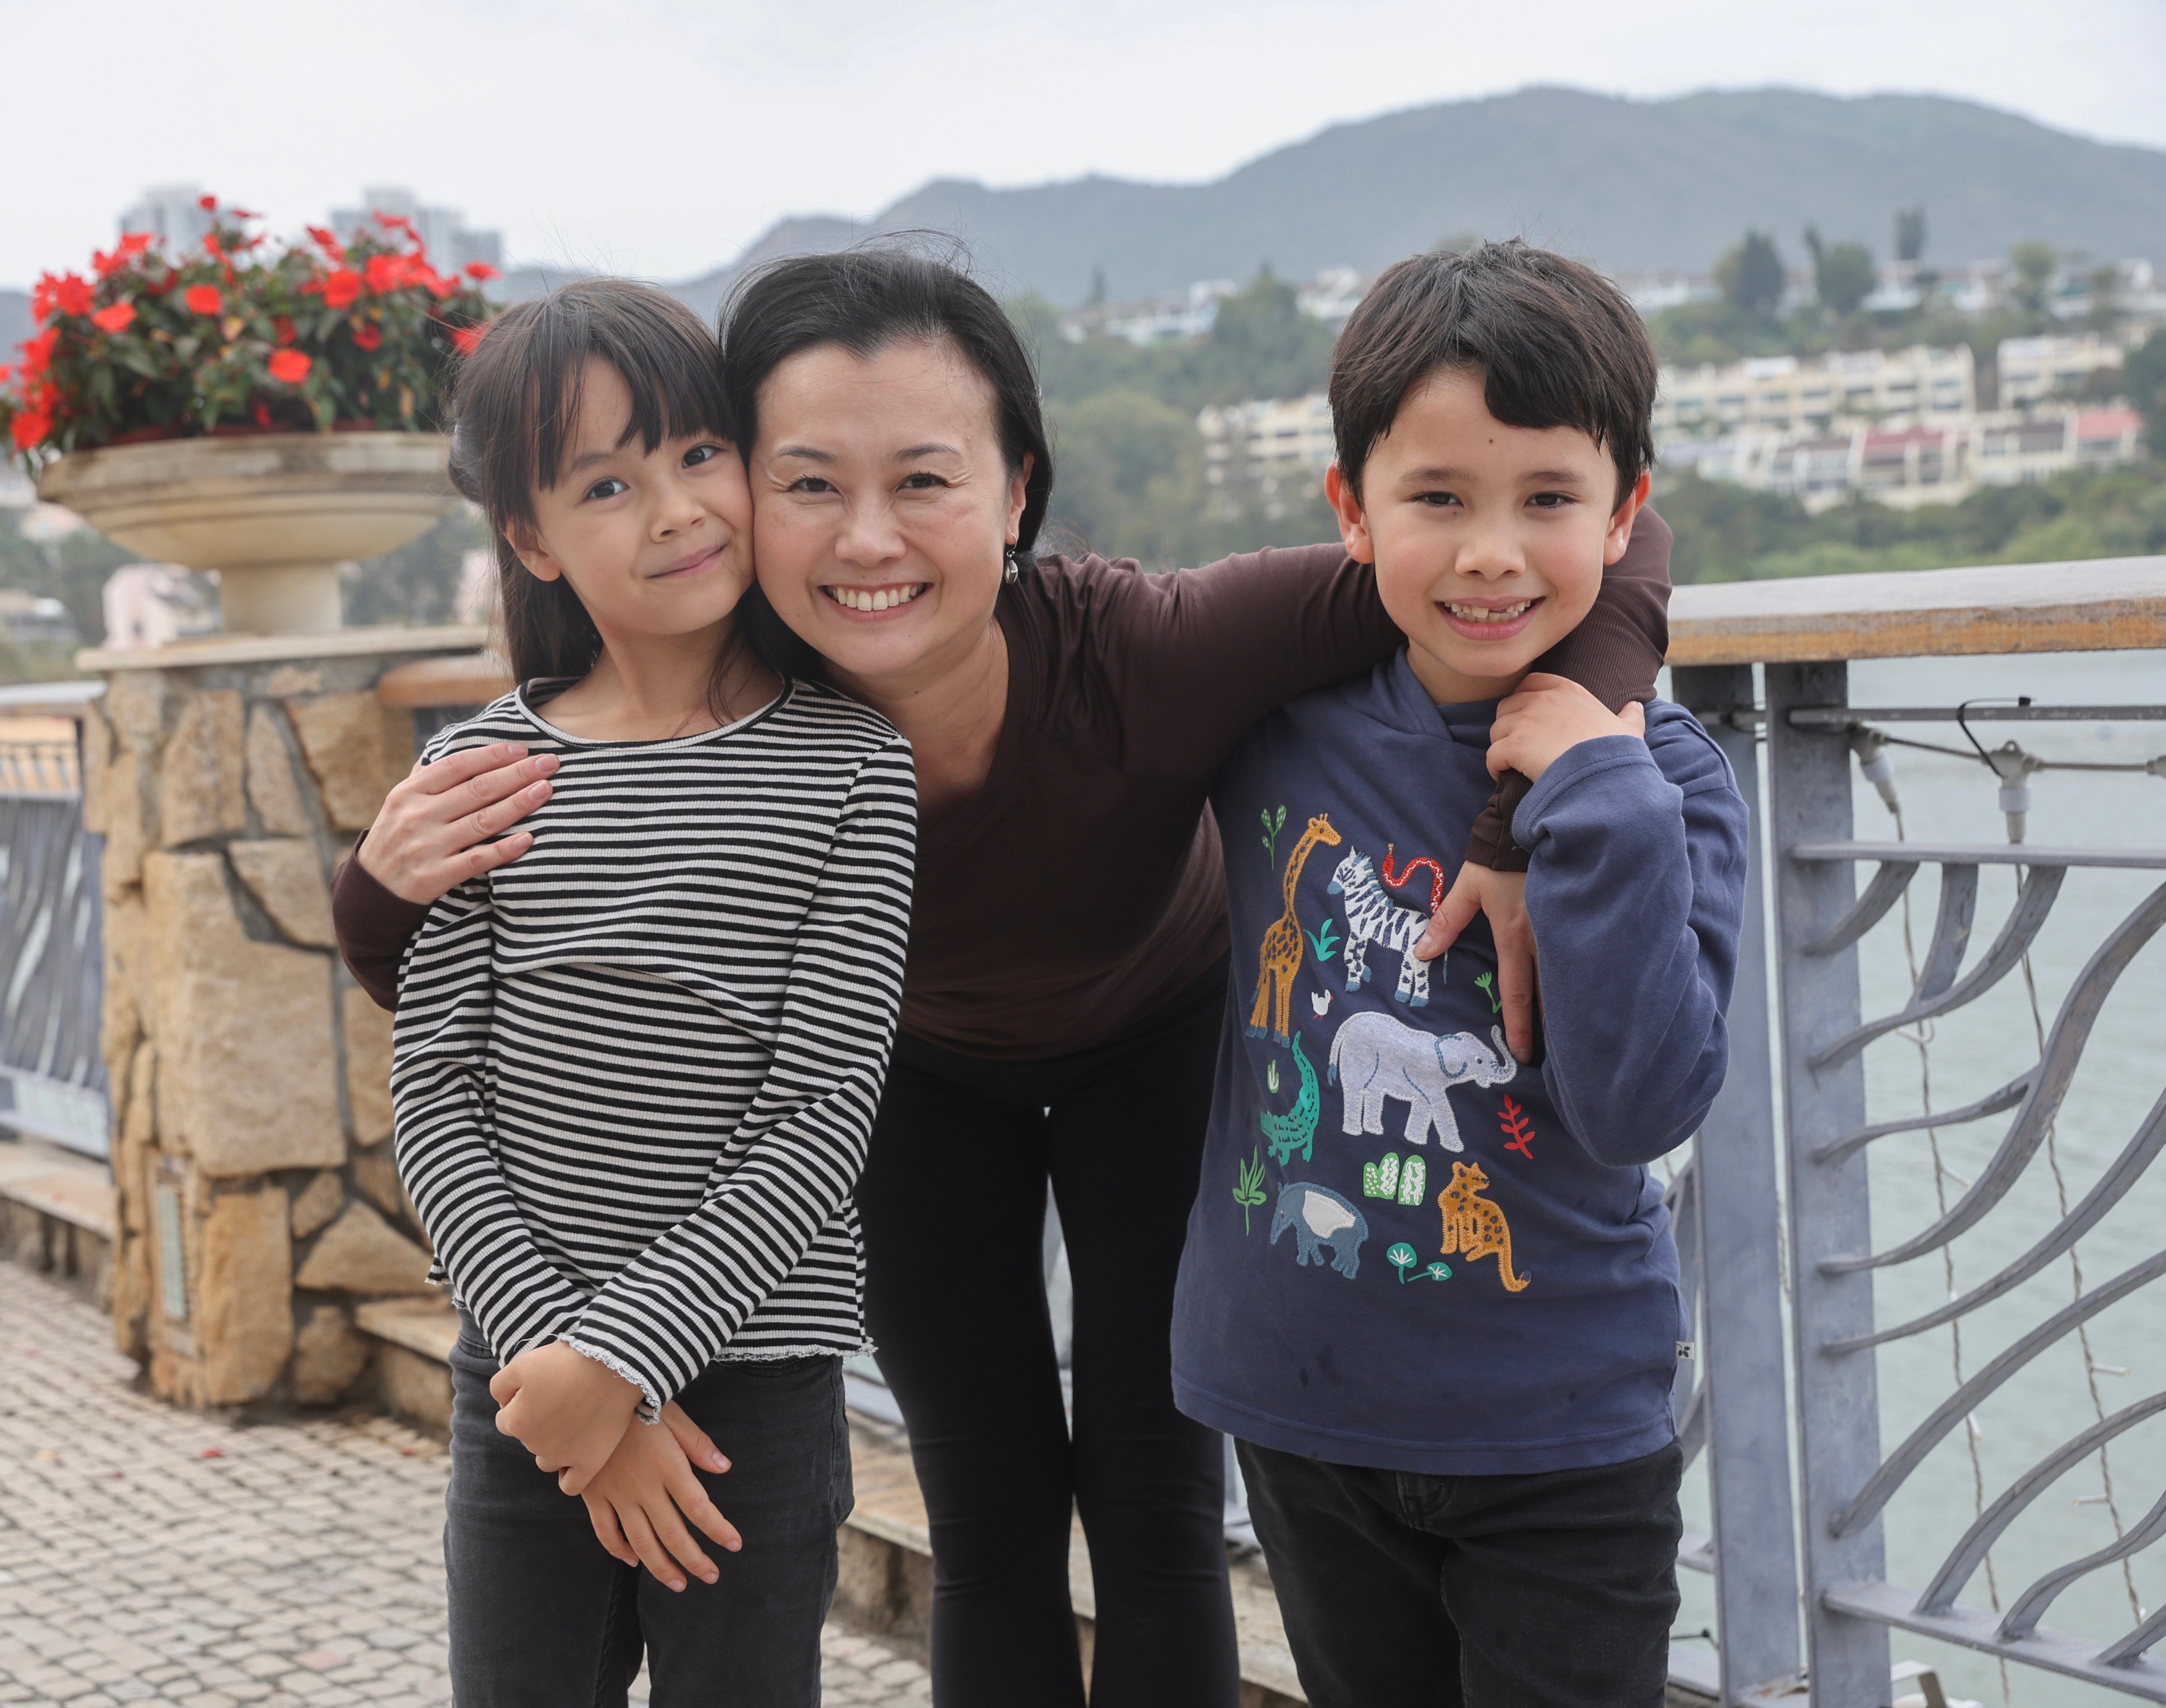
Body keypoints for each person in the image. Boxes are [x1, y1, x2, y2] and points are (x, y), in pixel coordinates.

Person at [338, 247, 1675, 1708]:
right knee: (987, 1520)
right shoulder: (741, 688)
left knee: (1155, 1516)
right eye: (806, 484)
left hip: (1153, 1048)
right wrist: (377, 876)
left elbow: (1597, 546)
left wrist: (1521, 804)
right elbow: (455, 996)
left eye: (923, 480)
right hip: (904, 1079)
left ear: (1016, 490)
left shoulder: (1147, 649)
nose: (867, 541)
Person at [1169, 241, 1747, 1708]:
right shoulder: (1270, 726)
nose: (1490, 551)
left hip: (1559, 1430)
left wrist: (1600, 796)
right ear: (1349, 512)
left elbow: (1639, 1107)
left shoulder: (1667, 783)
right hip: (1300, 1404)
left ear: (1621, 518)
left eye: (1545, 501)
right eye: (1438, 499)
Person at [392, 277, 918, 1708]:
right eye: (608, 484)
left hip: (753, 1377)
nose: (677, 510)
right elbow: (434, 1098)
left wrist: (624, 1359)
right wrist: (562, 1377)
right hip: (522, 1382)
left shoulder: (853, 770)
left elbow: (818, 1121)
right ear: (530, 538)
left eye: (698, 455)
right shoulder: (480, 779)